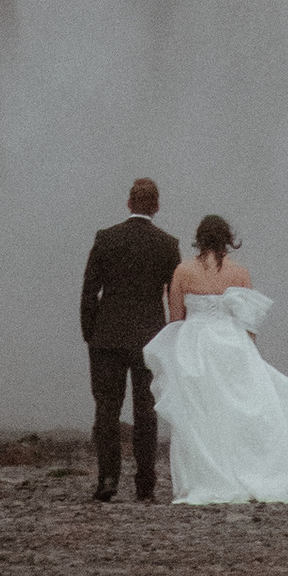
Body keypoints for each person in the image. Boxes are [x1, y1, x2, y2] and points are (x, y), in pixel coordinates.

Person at [142, 212, 288, 505]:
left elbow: (176, 318)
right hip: (231, 344)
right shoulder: (239, 273)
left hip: (194, 347)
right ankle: (249, 470)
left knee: (201, 414)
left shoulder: (183, 271)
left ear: (199, 239)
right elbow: (249, 324)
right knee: (239, 411)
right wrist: (247, 353)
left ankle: (206, 477)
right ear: (228, 240)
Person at [79, 177, 181, 501]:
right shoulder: (167, 245)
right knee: (146, 412)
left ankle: (108, 480)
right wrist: (172, 336)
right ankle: (145, 484)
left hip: (107, 337)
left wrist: (90, 333)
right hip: (149, 338)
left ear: (129, 203)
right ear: (157, 206)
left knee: (106, 410)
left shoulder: (106, 238)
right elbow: (175, 296)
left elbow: (89, 291)